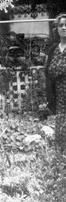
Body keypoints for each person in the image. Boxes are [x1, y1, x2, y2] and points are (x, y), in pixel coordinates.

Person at [45, 13, 66, 152]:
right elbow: (48, 70)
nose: (64, 28)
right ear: (56, 29)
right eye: (61, 25)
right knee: (61, 122)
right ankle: (61, 155)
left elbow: (54, 69)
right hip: (59, 93)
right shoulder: (53, 49)